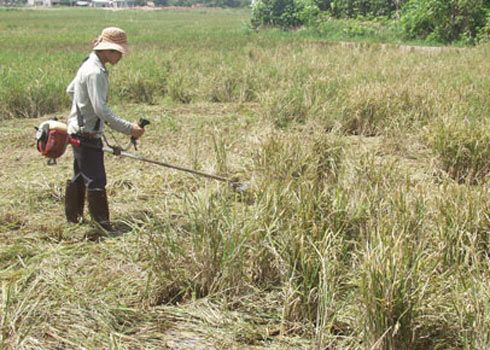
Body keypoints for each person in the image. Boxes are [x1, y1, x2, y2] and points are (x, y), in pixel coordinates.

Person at [64, 27, 145, 233]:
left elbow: (71, 90)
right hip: (86, 133)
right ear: (108, 50)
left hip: (77, 129)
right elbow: (101, 109)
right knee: (96, 178)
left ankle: (73, 220)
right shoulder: (96, 72)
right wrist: (129, 129)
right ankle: (102, 227)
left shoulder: (88, 63)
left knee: (80, 175)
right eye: (119, 52)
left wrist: (81, 111)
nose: (121, 57)